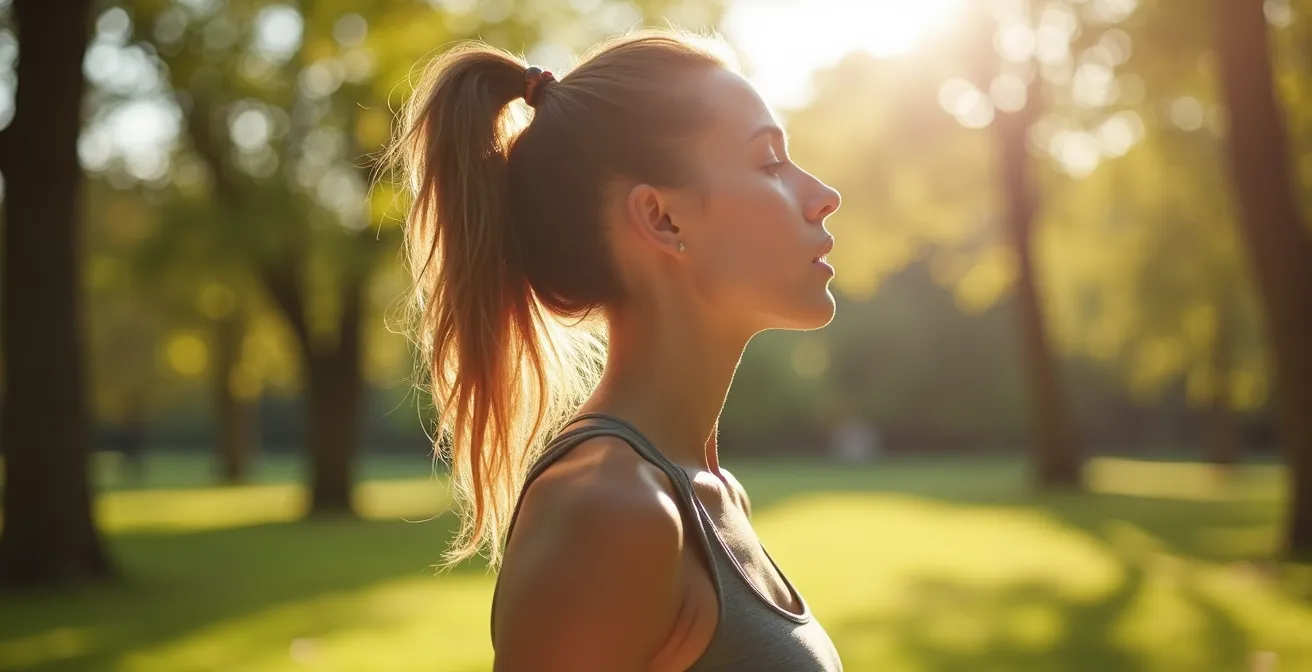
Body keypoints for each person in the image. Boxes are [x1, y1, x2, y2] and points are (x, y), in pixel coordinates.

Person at [384, 28, 843, 671]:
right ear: (661, 218)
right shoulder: (611, 509)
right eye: (770, 162)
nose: (824, 196)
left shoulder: (710, 493)